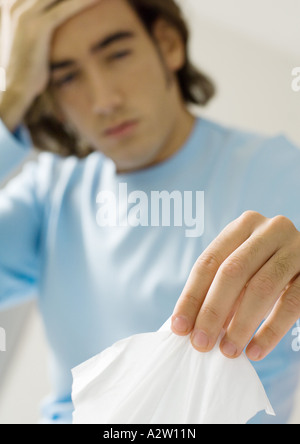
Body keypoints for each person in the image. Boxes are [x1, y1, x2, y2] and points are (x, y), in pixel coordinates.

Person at [0, 0, 299, 425]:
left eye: (118, 53)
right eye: (66, 76)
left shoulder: (282, 175)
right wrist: (10, 99)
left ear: (168, 45)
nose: (104, 99)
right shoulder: (49, 191)